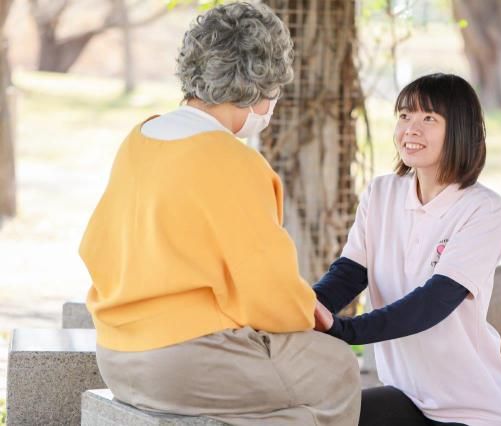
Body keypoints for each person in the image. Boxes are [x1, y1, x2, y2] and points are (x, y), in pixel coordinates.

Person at [79, 3, 360, 425]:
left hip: (115, 354)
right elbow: (268, 289)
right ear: (260, 83)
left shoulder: (140, 137)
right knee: (334, 366)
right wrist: (308, 311)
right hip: (183, 361)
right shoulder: (233, 161)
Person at [313, 73, 501, 426]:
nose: (411, 128)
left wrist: (344, 330)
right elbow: (348, 275)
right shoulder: (381, 193)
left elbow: (433, 302)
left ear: (459, 130)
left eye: (429, 118)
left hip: (473, 411)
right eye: (405, 115)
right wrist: (303, 310)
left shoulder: (484, 209)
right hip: (407, 397)